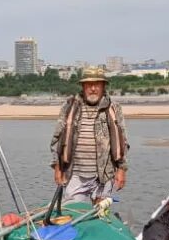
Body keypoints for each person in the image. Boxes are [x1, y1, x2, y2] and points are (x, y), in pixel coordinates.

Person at [50, 67, 129, 204]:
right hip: (75, 174)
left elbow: (123, 143)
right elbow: (56, 140)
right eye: (89, 85)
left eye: (97, 84)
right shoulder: (69, 107)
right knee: (73, 212)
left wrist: (121, 169)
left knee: (100, 216)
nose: (93, 88)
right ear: (83, 86)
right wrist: (57, 167)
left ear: (103, 86)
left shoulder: (113, 108)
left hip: (104, 175)